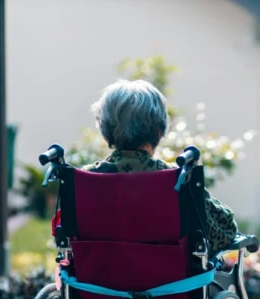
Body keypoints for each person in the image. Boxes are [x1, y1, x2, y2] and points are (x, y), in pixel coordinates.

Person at [84, 79, 238, 255]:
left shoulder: (84, 180)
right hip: (170, 280)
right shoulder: (179, 179)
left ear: (106, 133)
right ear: (159, 131)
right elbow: (225, 231)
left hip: (99, 279)